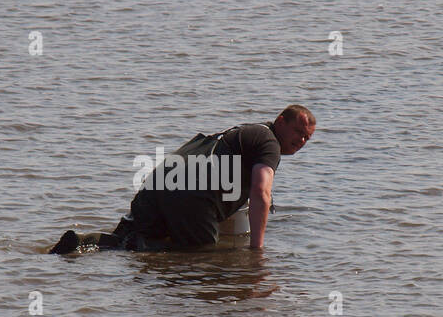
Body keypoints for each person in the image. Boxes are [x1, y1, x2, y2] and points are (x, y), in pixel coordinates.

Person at [50, 105, 315, 254]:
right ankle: (137, 246)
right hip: (193, 195)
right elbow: (260, 191)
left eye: (307, 138)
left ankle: (86, 242)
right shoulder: (269, 142)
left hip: (162, 180)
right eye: (297, 132)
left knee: (131, 238)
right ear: (280, 121)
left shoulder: (243, 133)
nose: (301, 141)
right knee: (200, 257)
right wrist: (257, 252)